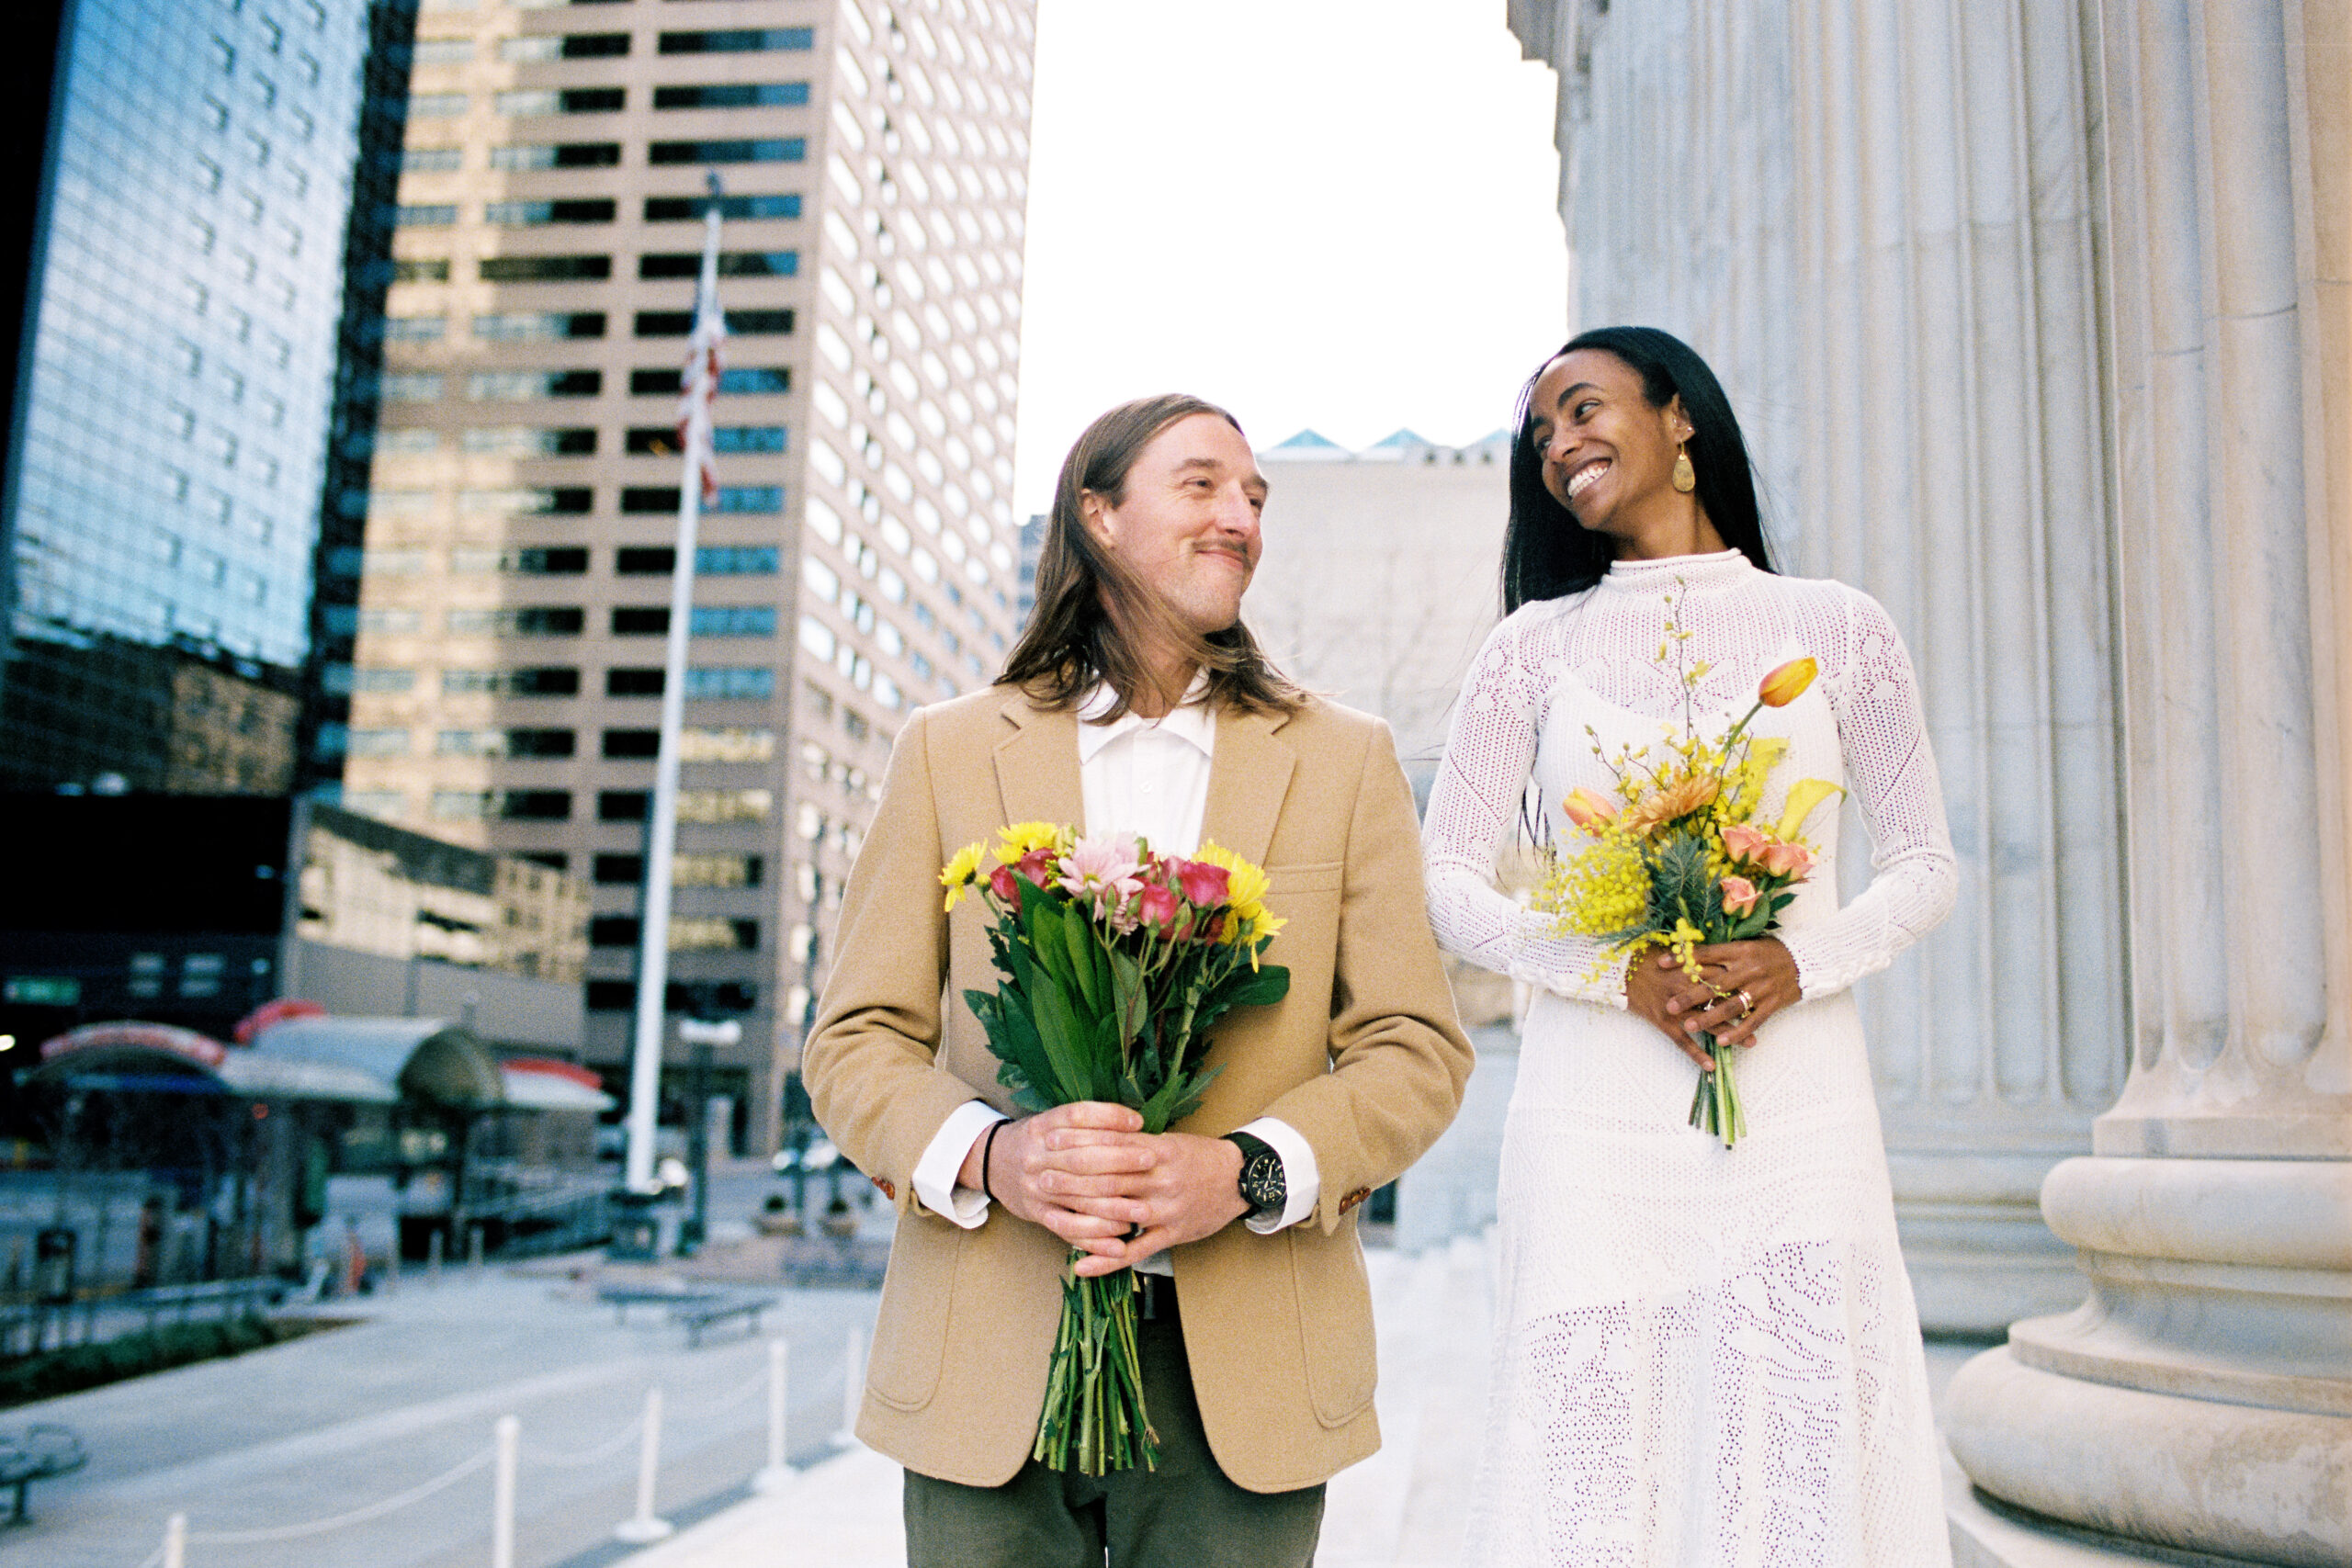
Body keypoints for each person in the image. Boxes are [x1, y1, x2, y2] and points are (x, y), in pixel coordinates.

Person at [804, 393, 1475, 1568]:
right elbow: (855, 1040)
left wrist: (1245, 1171)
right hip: (986, 1361)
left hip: (1250, 1380)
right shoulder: (949, 751)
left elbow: (1416, 1050)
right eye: (1202, 484)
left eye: (1255, 497)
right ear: (1100, 514)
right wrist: (992, 1154)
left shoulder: (1344, 758)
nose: (1241, 518)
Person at [1423, 327, 1958, 1564]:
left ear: (1681, 419)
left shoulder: (1837, 625)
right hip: (1592, 1111)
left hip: (1799, 1097)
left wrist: (1802, 959)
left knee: (1798, 1430)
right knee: (1598, 1446)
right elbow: (1446, 879)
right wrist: (1613, 970)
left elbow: (1925, 861)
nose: (1561, 445)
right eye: (1541, 435)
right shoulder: (1529, 650)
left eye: (1584, 406)